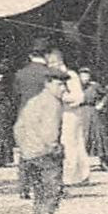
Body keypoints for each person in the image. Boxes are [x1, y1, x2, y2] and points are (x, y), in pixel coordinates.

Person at [13, 67, 69, 214]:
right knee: (52, 192)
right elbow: (50, 132)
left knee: (39, 194)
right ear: (48, 84)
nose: (64, 89)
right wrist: (55, 148)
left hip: (29, 155)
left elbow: (18, 127)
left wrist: (25, 149)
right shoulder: (53, 103)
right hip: (46, 155)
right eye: (60, 84)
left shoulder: (34, 101)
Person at [11, 39, 51, 198]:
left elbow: (16, 95)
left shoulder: (21, 74)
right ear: (46, 55)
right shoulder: (49, 73)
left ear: (30, 55)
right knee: (45, 152)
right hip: (45, 116)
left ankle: (24, 187)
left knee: (25, 152)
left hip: (25, 115)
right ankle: (40, 186)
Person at [45, 49, 90, 186]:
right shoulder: (52, 75)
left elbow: (78, 96)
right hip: (60, 113)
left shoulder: (70, 75)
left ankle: (71, 176)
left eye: (52, 62)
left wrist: (61, 97)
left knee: (70, 142)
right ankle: (80, 174)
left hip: (70, 113)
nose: (50, 65)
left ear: (59, 61)